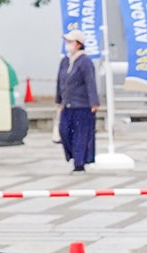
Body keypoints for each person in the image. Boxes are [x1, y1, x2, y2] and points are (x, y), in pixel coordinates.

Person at [56, 30, 99, 171]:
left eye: (70, 42)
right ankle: (73, 155)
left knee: (81, 134)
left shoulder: (85, 61)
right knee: (64, 131)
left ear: (79, 45)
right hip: (67, 104)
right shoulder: (65, 61)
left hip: (82, 105)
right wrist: (59, 100)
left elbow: (90, 82)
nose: (67, 45)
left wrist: (94, 102)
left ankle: (79, 163)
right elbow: (60, 81)